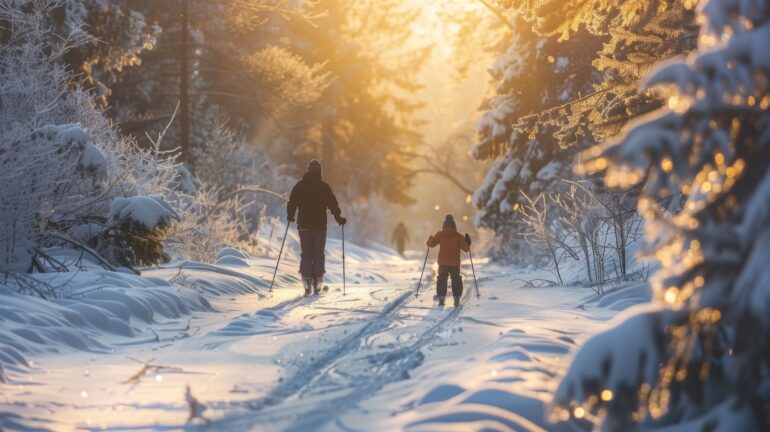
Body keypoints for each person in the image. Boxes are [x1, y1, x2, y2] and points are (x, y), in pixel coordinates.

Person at [287, 159, 346, 295]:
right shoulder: (324, 187)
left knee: (306, 253)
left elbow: (292, 202)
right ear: (320, 172)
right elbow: (333, 204)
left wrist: (290, 215)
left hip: (304, 225)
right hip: (319, 226)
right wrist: (338, 218)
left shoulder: (300, 186)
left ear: (308, 170)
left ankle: (307, 280)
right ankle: (318, 280)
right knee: (318, 253)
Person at [426, 214, 471, 307]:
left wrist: (430, 240)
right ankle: (457, 297)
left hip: (443, 262)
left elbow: (431, 244)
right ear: (454, 225)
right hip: (455, 263)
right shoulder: (458, 236)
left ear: (444, 224)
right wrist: (468, 241)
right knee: (456, 279)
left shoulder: (440, 234)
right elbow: (466, 249)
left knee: (442, 278)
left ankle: (441, 297)